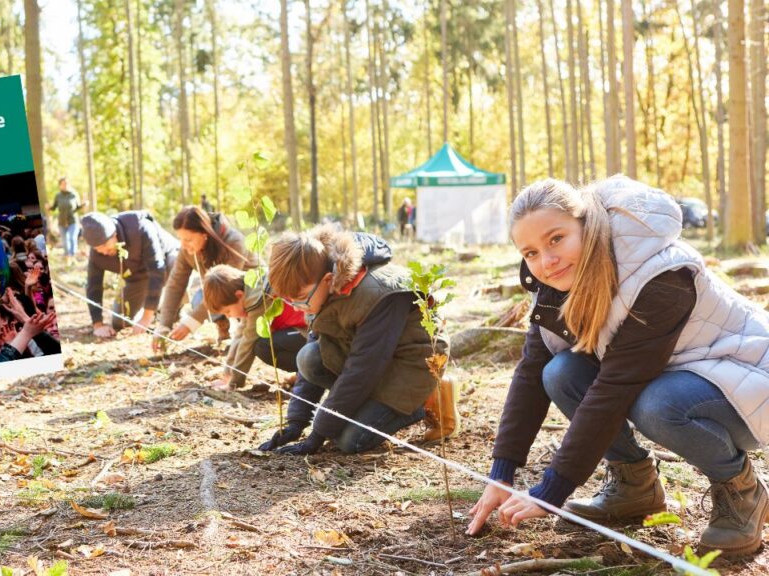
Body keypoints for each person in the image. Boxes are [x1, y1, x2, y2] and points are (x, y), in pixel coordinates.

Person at [466, 176, 769, 558]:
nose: (547, 261)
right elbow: (530, 372)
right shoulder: (557, 284)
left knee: (657, 405)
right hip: (678, 374)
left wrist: (552, 490)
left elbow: (616, 387)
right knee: (559, 372)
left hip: (747, 380)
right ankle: (634, 486)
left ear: (586, 224)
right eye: (530, 252)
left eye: (556, 239)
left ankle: (742, 491)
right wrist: (502, 473)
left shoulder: (659, 275)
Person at [257, 225, 449, 455]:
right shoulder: (320, 287)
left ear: (328, 279)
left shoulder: (375, 294)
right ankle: (365, 409)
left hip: (411, 365)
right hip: (374, 360)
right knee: (309, 358)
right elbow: (319, 346)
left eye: (298, 299)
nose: (297, 306)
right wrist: (296, 422)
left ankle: (420, 405)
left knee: (349, 442)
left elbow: (362, 371)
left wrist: (317, 436)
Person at [154, 206, 258, 349]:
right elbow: (175, 284)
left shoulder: (233, 241)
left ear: (205, 233)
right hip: (224, 293)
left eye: (188, 239)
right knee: (199, 299)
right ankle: (225, 332)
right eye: (181, 239)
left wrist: (190, 323)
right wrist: (164, 325)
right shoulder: (187, 251)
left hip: (249, 292)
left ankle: (251, 336)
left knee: (218, 299)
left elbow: (226, 288)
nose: (183, 245)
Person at [202, 264, 308, 390]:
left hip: (311, 332)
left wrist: (234, 382)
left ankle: (308, 373)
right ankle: (303, 373)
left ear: (239, 295)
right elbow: (239, 335)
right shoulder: (250, 291)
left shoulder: (258, 299)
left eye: (228, 312)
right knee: (264, 343)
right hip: (297, 330)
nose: (229, 316)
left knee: (263, 346)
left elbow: (248, 343)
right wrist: (228, 373)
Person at [81, 211, 180, 338]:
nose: (104, 251)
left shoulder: (139, 227)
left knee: (176, 262)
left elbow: (157, 270)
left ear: (114, 233)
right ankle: (157, 306)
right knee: (120, 321)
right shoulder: (97, 253)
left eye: (106, 245)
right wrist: (98, 325)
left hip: (166, 262)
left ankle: (173, 305)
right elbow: (93, 286)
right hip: (137, 277)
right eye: (98, 248)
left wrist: (146, 317)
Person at [49, 177, 81, 260]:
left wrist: (85, 204)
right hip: (61, 222)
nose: (65, 185)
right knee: (65, 240)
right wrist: (49, 207)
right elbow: (53, 207)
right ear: (60, 185)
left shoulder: (74, 194)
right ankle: (67, 256)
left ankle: (73, 256)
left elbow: (78, 206)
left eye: (66, 183)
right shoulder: (58, 196)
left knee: (72, 238)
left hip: (72, 220)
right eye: (63, 184)